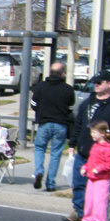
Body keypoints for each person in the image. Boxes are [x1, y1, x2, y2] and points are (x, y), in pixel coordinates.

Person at [67, 70, 110, 221]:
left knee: (99, 189)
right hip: (84, 150)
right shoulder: (87, 103)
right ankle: (80, 212)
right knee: (79, 183)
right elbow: (78, 125)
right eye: (95, 82)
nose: (96, 85)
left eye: (99, 82)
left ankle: (97, 216)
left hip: (102, 155)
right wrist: (73, 143)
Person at [30, 62, 75, 192]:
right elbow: (70, 108)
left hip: (44, 123)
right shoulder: (68, 89)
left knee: (39, 148)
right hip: (61, 124)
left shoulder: (41, 86)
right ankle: (50, 183)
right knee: (55, 153)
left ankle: (39, 171)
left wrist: (41, 111)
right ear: (63, 74)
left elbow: (33, 104)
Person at [76, 121, 110, 221]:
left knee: (100, 203)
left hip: (102, 179)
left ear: (102, 134)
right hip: (92, 178)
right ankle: (87, 220)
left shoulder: (109, 148)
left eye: (94, 132)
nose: (92, 135)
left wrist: (99, 169)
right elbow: (91, 160)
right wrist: (85, 167)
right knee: (89, 201)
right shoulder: (96, 146)